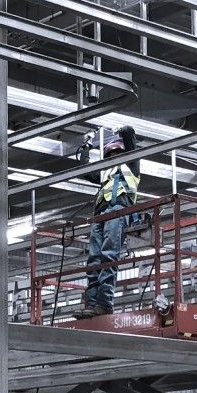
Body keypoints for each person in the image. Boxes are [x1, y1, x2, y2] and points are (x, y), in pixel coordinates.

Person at [76, 126, 140, 318]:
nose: (113, 156)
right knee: (94, 259)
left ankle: (104, 303)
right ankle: (93, 304)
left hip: (117, 210)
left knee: (108, 256)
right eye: (111, 154)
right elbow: (85, 170)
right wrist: (85, 147)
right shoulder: (104, 173)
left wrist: (126, 131)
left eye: (116, 153)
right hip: (100, 214)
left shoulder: (131, 167)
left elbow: (131, 145)